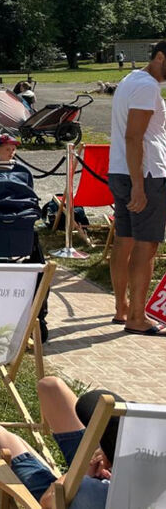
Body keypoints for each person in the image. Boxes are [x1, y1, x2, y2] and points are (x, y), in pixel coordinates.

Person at [0, 377, 121, 509]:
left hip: (67, 494)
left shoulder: (92, 493)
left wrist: (84, 468)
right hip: (111, 466)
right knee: (50, 386)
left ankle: (42, 465)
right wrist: (107, 452)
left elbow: (48, 501)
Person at [107, 40, 166, 335]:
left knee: (125, 239)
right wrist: (139, 185)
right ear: (159, 57)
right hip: (144, 173)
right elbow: (134, 137)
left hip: (120, 169)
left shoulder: (130, 79)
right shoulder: (148, 86)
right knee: (147, 244)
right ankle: (137, 317)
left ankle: (123, 308)